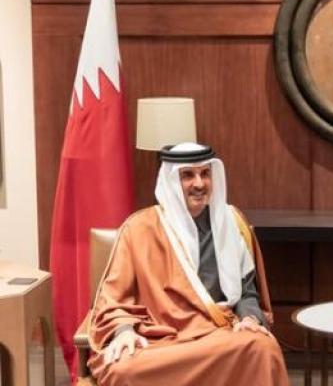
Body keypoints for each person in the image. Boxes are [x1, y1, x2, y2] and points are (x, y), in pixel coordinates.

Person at [87, 142, 289, 386]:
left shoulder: (231, 222)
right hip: (161, 341)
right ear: (171, 180)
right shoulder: (139, 229)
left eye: (205, 173)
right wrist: (124, 331)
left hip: (218, 335)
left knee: (262, 349)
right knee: (124, 369)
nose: (199, 184)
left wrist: (249, 319)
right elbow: (113, 299)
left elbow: (247, 293)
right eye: (188, 175)